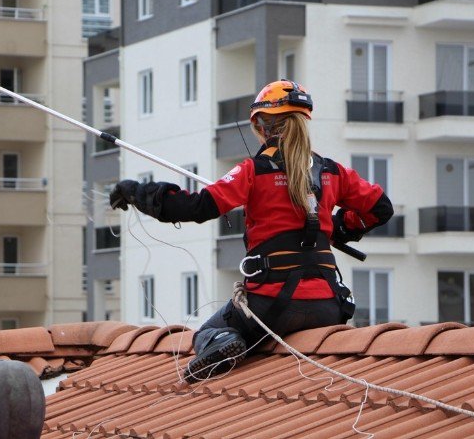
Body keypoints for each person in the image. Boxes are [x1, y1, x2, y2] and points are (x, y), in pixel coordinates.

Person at [109, 80, 393, 383]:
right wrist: (339, 228)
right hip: (329, 305)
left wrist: (136, 192)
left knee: (207, 332)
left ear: (261, 126)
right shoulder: (332, 172)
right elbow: (380, 209)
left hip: (272, 306)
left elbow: (196, 207)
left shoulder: (253, 171)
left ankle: (226, 345)